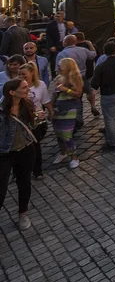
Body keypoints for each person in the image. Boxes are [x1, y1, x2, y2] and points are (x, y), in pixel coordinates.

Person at [0, 77, 38, 230]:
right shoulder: (2, 111)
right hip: (5, 153)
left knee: (24, 183)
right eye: (24, 87)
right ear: (12, 92)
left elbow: (29, 126)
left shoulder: (26, 104)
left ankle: (23, 213)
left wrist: (37, 118)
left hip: (26, 149)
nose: (28, 89)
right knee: (1, 189)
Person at [19, 63, 52, 179]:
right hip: (23, 120)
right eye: (19, 75)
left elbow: (46, 100)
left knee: (35, 146)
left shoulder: (40, 85)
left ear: (32, 73)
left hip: (38, 120)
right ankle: (28, 170)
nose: (21, 77)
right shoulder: (17, 86)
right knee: (28, 148)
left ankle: (37, 170)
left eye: (24, 74)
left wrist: (51, 112)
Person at [51, 57, 83, 169]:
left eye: (61, 67)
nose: (59, 68)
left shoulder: (76, 77)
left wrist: (66, 90)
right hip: (59, 107)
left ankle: (74, 157)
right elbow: (53, 94)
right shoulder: (59, 78)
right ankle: (63, 152)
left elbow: (78, 93)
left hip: (70, 108)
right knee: (58, 133)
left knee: (66, 133)